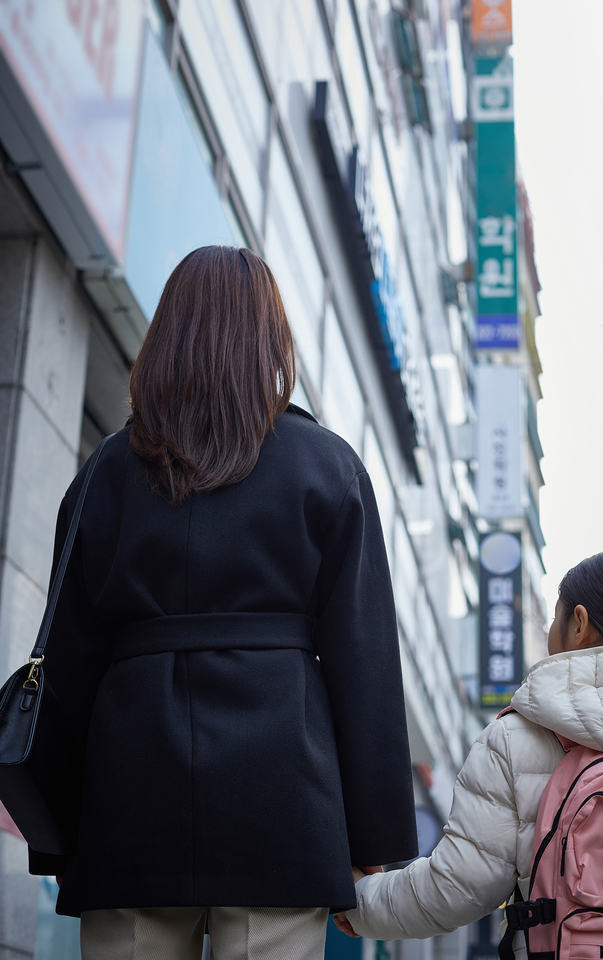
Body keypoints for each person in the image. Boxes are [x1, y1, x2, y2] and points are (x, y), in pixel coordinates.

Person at [30, 246, 418, 960]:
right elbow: (364, 660)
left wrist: (60, 823)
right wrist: (372, 837)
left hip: (129, 804)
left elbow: (68, 662)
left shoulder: (105, 474)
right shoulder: (327, 466)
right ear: (271, 340)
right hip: (283, 802)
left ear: (165, 335)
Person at [335, 545, 603, 958]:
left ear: (579, 625)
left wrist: (359, 899)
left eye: (554, 617)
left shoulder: (521, 737)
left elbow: (455, 889)